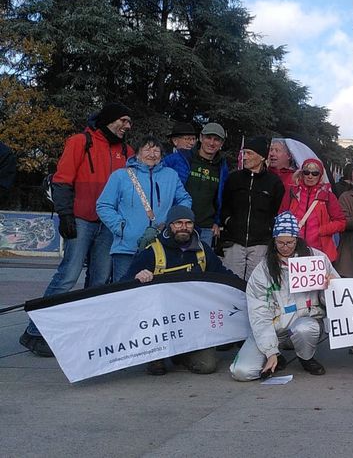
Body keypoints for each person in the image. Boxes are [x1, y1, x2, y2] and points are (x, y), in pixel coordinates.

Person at [20, 103, 133, 357]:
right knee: (68, 276)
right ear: (110, 119)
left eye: (129, 122)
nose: (128, 126)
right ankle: (34, 332)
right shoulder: (81, 142)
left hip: (109, 224)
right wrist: (66, 214)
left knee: (100, 279)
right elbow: (62, 180)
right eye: (123, 120)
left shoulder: (127, 151)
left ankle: (88, 330)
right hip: (82, 219)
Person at [124, 205, 236, 375]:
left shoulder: (203, 250)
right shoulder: (153, 251)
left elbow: (223, 276)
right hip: (159, 325)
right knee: (157, 368)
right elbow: (123, 284)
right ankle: (156, 356)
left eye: (188, 223)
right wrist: (138, 277)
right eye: (178, 223)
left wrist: (247, 288)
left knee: (207, 366)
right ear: (170, 225)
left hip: (193, 324)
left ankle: (181, 354)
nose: (184, 227)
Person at [230, 212, 328, 381]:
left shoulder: (317, 258)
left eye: (290, 242)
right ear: (273, 241)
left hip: (304, 322)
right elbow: (259, 313)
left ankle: (306, 357)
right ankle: (277, 356)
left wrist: (329, 286)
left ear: (297, 239)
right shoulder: (263, 270)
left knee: (305, 329)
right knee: (242, 372)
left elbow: (334, 300)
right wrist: (271, 352)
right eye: (280, 242)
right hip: (273, 328)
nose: (285, 247)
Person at [96, 136, 192, 282]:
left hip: (160, 247)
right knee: (123, 290)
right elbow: (104, 205)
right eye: (147, 149)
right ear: (137, 153)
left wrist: (171, 222)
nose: (152, 154)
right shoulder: (120, 176)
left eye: (156, 150)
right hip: (127, 247)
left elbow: (185, 199)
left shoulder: (171, 176)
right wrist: (120, 227)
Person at [220, 137, 285, 279]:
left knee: (256, 283)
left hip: (260, 244)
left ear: (261, 157)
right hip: (234, 242)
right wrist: (228, 221)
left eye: (249, 153)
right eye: (244, 153)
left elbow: (278, 210)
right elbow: (224, 204)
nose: (245, 157)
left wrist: (268, 228)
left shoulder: (274, 182)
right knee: (231, 282)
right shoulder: (234, 178)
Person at [161, 122, 229, 248]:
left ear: (222, 143)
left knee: (200, 265)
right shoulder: (181, 158)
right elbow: (155, 173)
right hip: (179, 224)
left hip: (206, 227)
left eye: (217, 140)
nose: (212, 143)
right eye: (208, 138)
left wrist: (217, 221)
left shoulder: (222, 166)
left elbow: (222, 195)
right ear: (201, 138)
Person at [281, 158, 347, 263]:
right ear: (302, 174)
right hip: (293, 250)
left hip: (319, 251)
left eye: (315, 173)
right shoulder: (292, 192)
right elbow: (282, 217)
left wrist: (322, 230)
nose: (310, 176)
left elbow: (341, 222)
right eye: (306, 172)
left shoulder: (328, 196)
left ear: (320, 175)